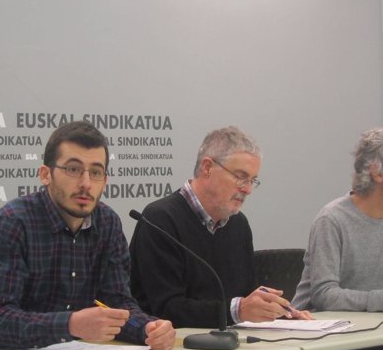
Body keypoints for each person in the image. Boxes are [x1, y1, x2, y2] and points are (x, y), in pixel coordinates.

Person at [0, 121, 175, 350]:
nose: (85, 184)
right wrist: (70, 324)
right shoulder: (13, 222)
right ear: (45, 174)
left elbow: (117, 304)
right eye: (73, 169)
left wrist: (148, 329)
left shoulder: (108, 223)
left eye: (96, 172)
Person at [129, 126, 312, 329]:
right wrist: (238, 311)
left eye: (253, 180)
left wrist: (276, 311)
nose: (248, 189)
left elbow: (245, 295)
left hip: (231, 346)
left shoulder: (238, 224)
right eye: (241, 177)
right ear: (208, 167)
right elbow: (166, 309)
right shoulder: (160, 219)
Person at [292, 127, 383, 312]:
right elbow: (324, 295)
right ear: (378, 172)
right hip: (316, 330)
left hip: (366, 328)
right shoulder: (331, 220)